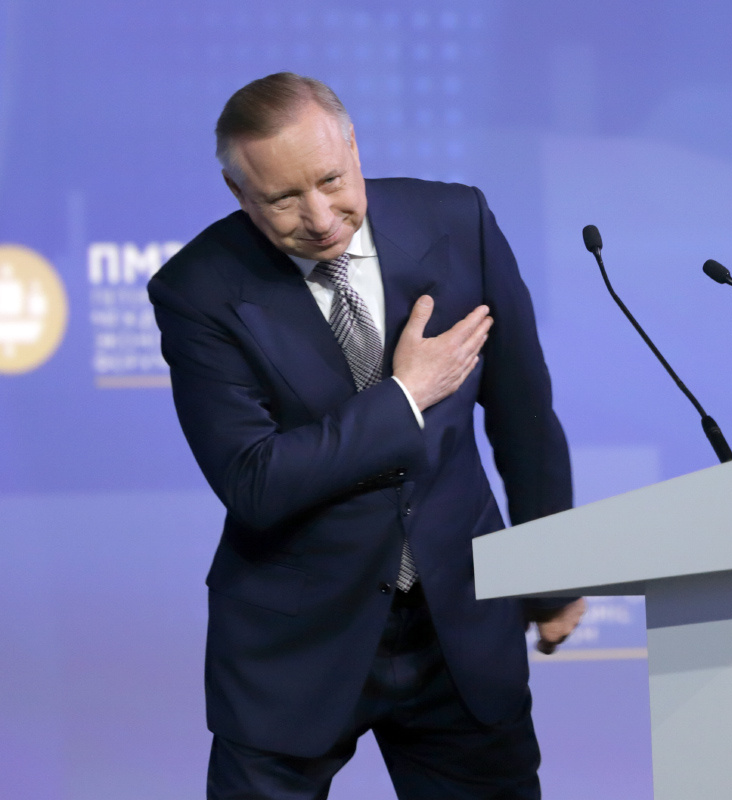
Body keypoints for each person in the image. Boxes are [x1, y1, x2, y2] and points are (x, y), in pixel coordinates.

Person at [149, 72, 585, 799]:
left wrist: (553, 576)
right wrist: (406, 397)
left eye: (331, 180)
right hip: (296, 645)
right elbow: (255, 480)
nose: (320, 218)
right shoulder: (197, 289)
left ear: (353, 145)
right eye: (283, 199)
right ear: (238, 193)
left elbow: (525, 416)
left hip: (459, 629)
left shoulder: (459, 220)